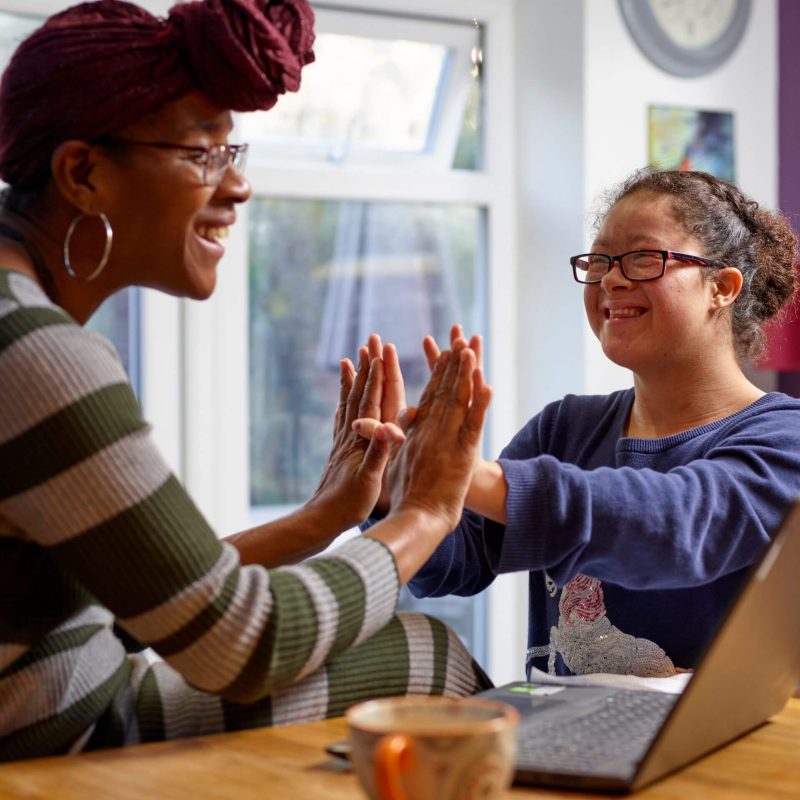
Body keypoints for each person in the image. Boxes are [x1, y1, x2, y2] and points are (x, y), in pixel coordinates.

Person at [0, 0, 493, 762]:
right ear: (83, 173)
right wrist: (425, 511)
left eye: (235, 153)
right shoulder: (34, 353)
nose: (238, 188)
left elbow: (135, 599)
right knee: (428, 653)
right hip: (67, 738)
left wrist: (323, 518)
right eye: (203, 154)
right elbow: (244, 645)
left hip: (71, 691)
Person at [399, 168, 800, 679]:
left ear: (721, 286)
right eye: (601, 260)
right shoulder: (564, 428)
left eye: (641, 257)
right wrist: (397, 479)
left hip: (716, 755)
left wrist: (464, 475)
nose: (611, 277)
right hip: (572, 744)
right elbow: (451, 564)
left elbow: (675, 525)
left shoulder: (786, 440)